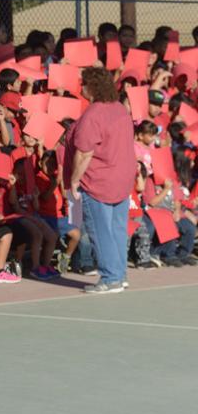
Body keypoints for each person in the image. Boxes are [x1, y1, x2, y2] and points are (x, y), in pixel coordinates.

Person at [66, 67, 136, 294]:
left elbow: (84, 153)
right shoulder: (120, 109)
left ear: (92, 87)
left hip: (99, 180)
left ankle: (110, 278)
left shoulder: (93, 115)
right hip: (122, 177)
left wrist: (74, 180)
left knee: (100, 230)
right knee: (117, 230)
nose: (81, 87)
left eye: (83, 83)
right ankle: (120, 274)